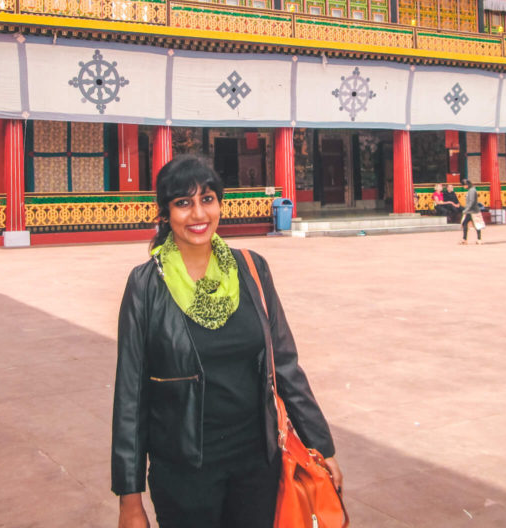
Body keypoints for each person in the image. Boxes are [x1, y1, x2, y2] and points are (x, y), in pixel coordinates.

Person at [112, 155, 341, 528]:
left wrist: (321, 445)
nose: (198, 214)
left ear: (221, 204)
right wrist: (129, 498)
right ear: (165, 213)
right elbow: (130, 395)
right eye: (183, 203)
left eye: (207, 199)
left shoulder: (252, 269)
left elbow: (283, 363)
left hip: (257, 463)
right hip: (184, 470)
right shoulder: (146, 285)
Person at [459, 178, 484, 244]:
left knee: (477, 224)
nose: (464, 187)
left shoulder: (472, 191)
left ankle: (479, 239)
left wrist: (466, 210)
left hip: (473, 211)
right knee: (465, 223)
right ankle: (464, 239)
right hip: (469, 211)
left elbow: (472, 202)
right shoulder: (470, 190)